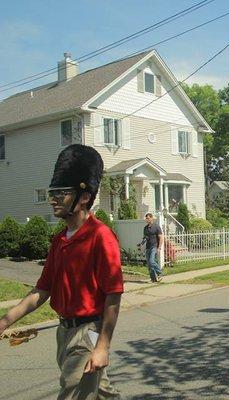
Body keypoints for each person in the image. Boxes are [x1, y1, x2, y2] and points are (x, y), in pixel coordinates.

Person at [0, 144, 123, 399]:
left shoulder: (101, 237)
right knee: (101, 392)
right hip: (64, 332)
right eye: (52, 192)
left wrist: (102, 346)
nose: (54, 198)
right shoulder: (59, 241)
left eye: (62, 192)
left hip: (88, 332)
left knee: (72, 390)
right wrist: (5, 321)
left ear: (84, 196)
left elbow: (113, 296)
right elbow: (41, 291)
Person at [139, 213, 164, 283]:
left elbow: (161, 237)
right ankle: (153, 279)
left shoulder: (156, 227)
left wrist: (159, 248)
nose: (147, 220)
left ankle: (160, 273)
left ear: (151, 218)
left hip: (154, 246)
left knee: (152, 261)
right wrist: (141, 244)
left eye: (148, 218)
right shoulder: (145, 228)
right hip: (148, 247)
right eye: (146, 218)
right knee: (149, 265)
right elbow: (145, 238)